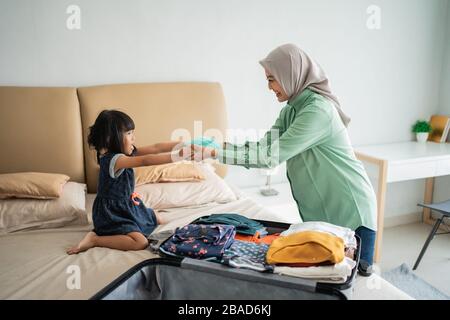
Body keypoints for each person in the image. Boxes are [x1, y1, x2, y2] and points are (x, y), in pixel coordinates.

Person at [202, 44, 377, 274]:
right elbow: (263, 146)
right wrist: (219, 147)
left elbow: (268, 157)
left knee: (353, 283)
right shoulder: (290, 111)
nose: (269, 87)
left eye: (272, 79)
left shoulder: (318, 111)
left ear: (290, 74)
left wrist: (216, 154)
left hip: (351, 213)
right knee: (325, 281)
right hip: (321, 216)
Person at [67, 109, 195, 254]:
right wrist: (178, 157)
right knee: (140, 242)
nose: (133, 138)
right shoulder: (115, 160)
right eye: (128, 134)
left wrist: (183, 144)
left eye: (132, 132)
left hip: (127, 206)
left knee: (158, 219)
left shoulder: (123, 152)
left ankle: (136, 224)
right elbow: (145, 160)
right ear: (110, 138)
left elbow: (156, 148)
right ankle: (95, 239)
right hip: (111, 213)